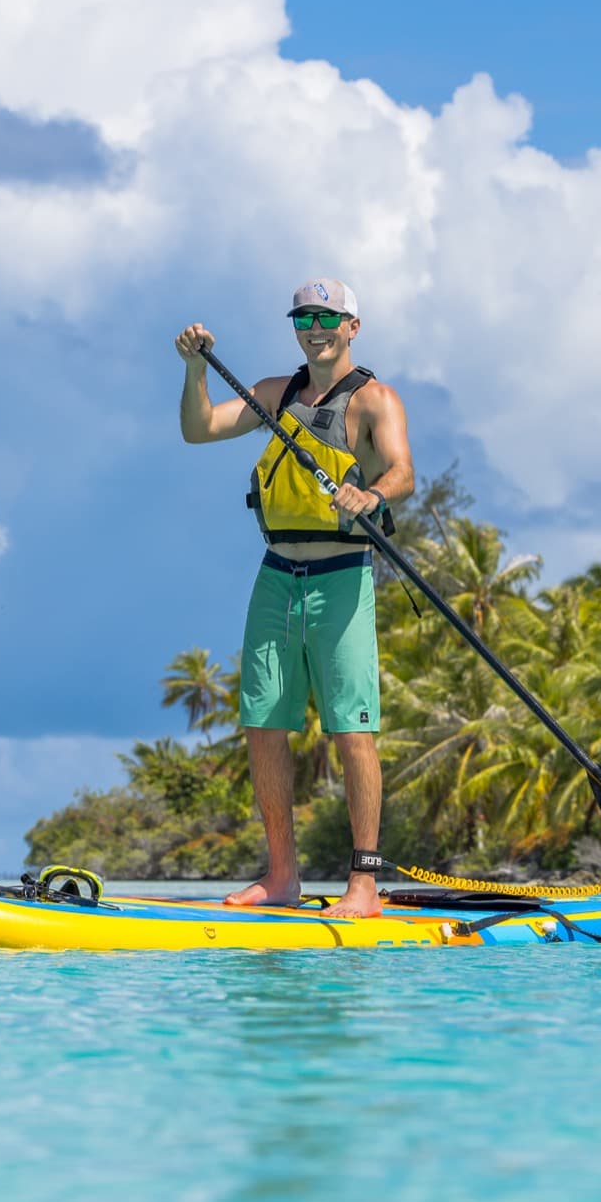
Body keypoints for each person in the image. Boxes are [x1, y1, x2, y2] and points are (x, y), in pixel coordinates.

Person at [176, 277, 413, 918]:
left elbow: (401, 471)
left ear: (352, 327)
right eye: (304, 316)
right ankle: (282, 876)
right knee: (262, 723)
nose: (315, 327)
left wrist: (372, 495)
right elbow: (199, 430)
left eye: (328, 317)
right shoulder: (273, 395)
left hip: (341, 577)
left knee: (350, 728)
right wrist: (196, 370)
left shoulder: (374, 400)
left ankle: (363, 884)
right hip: (276, 576)